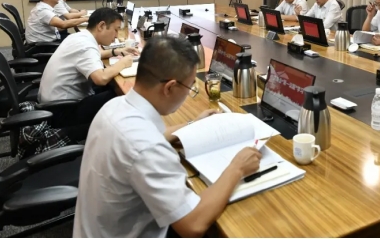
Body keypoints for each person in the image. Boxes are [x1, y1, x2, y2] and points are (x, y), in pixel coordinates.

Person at [73, 36, 262, 238]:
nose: (189, 94)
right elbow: (193, 224)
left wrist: (193, 124)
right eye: (190, 88)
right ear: (170, 87)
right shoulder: (146, 146)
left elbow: (149, 138)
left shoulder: (115, 106)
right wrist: (236, 168)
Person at [38, 8, 138, 136]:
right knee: (123, 96)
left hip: (53, 104)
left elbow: (92, 55)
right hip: (62, 112)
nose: (117, 35)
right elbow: (100, 79)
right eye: (116, 29)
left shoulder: (80, 37)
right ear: (101, 26)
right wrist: (123, 63)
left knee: (112, 87)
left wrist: (116, 51)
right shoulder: (85, 46)